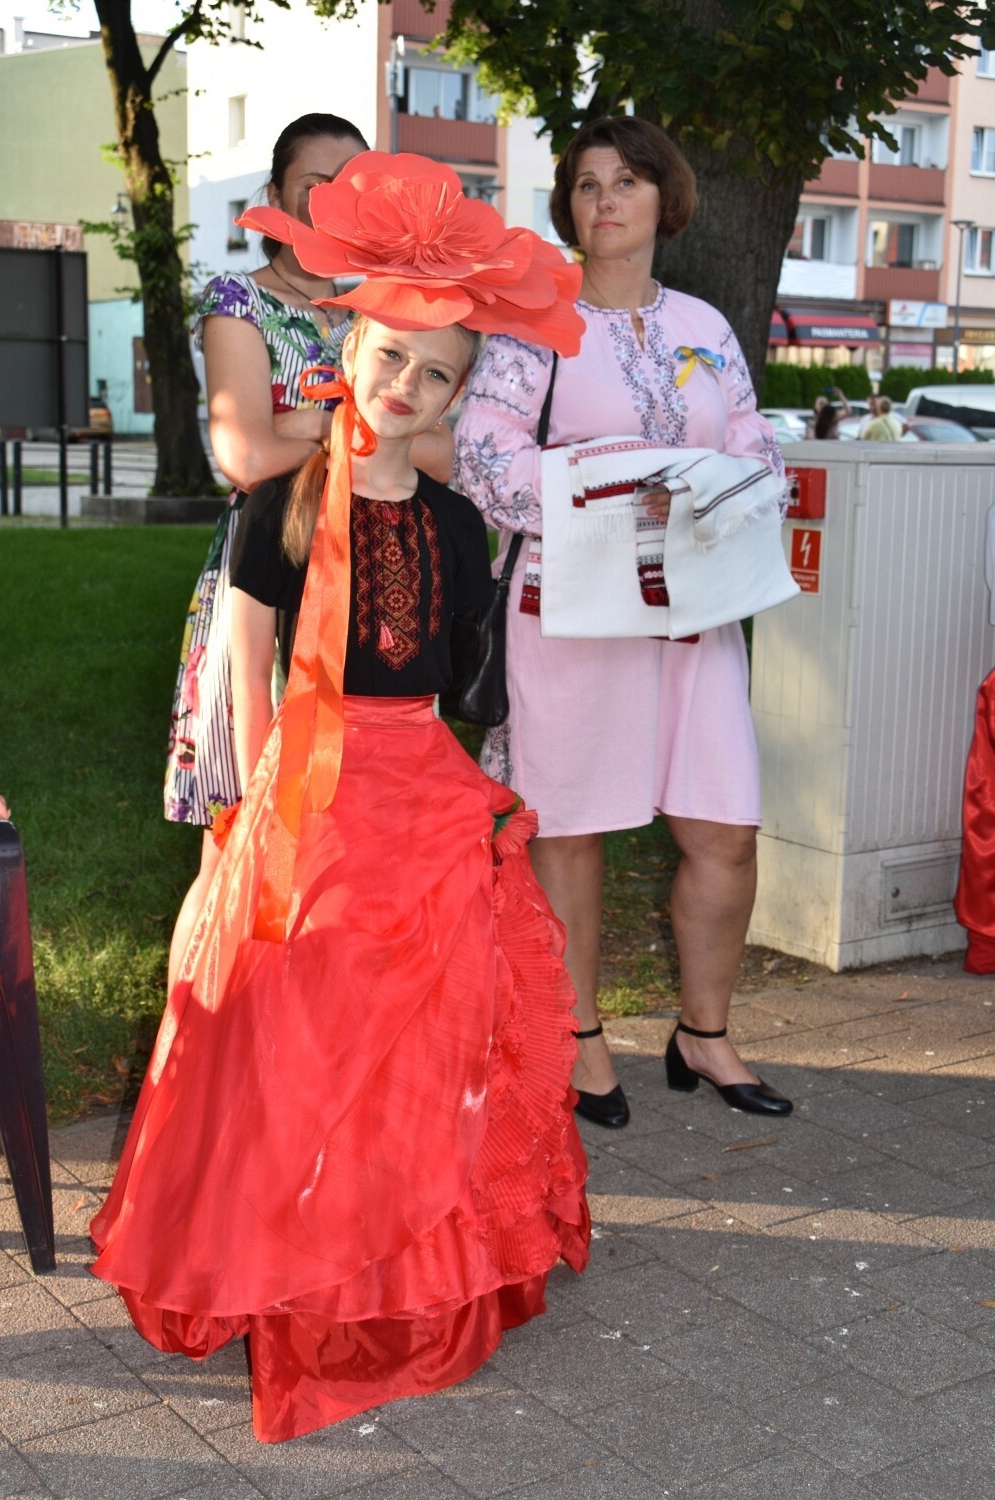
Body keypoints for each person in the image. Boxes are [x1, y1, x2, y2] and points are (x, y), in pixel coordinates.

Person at [91, 152, 590, 1444]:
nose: (406, 386)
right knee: (302, 1024)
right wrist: (267, 814)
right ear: (347, 353)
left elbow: (455, 676)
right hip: (306, 785)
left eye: (438, 376)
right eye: (391, 359)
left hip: (418, 786)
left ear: (457, 397)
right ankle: (289, 1244)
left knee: (428, 1030)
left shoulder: (456, 523)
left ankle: (402, 1245)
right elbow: (247, 665)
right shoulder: (280, 503)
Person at [454, 115, 794, 1128]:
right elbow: (482, 458)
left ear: (663, 200)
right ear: (570, 204)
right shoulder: (533, 321)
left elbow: (754, 447)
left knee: (725, 828)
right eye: (587, 183)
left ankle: (704, 1034)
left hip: (692, 610)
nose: (605, 199)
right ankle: (579, 1036)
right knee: (571, 826)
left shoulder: (703, 325)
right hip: (570, 607)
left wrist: (732, 490)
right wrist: (618, 485)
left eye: (627, 181)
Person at [164, 113, 451, 991]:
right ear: (276, 196)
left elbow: (445, 454)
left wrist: (300, 420)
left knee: (344, 856)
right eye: (312, 186)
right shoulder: (237, 300)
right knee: (234, 843)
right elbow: (244, 454)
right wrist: (356, 428)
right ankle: (195, 1043)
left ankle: (305, 1040)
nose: (331, 204)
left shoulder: (385, 307)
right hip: (270, 579)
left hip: (373, 597)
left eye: (351, 188)